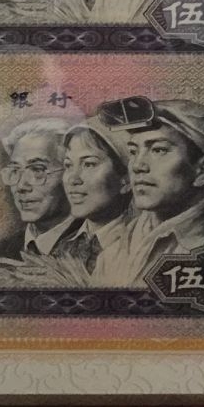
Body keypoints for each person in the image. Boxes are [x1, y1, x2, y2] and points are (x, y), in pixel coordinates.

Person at [97, 95, 204, 285]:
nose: (137, 166)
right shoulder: (115, 245)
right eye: (133, 151)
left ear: (202, 170)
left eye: (159, 150)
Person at [0, 117, 80, 281]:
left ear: (69, 173)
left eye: (38, 170)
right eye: (15, 170)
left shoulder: (98, 250)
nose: (21, 186)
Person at [59, 118, 134, 284]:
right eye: (68, 165)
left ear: (126, 180)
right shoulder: (62, 248)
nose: (73, 179)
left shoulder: (141, 247)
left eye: (89, 164)